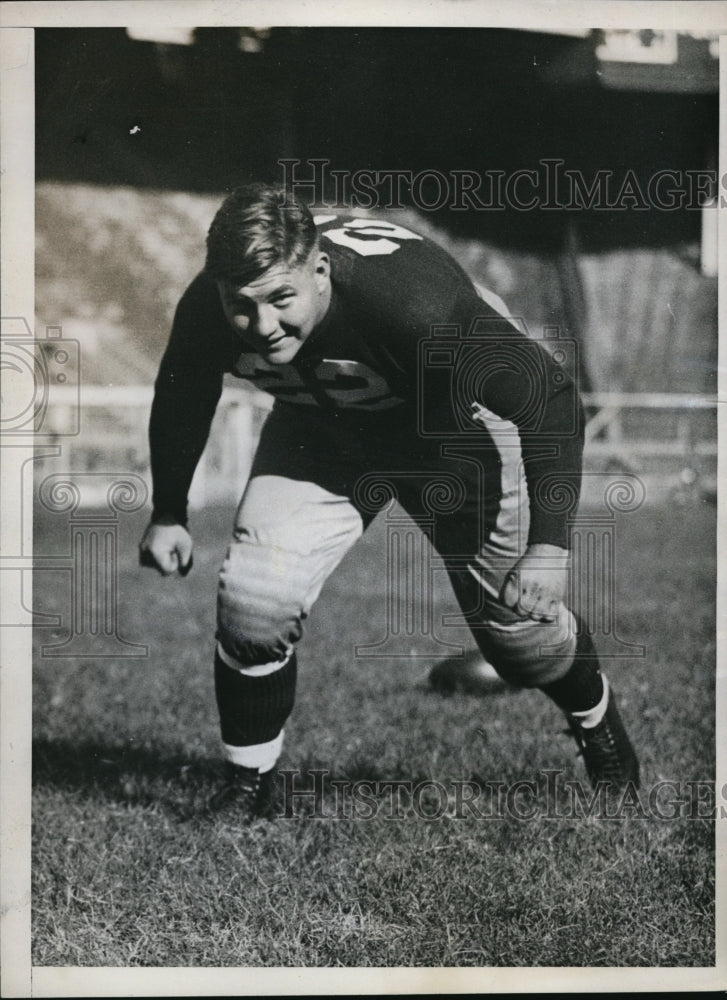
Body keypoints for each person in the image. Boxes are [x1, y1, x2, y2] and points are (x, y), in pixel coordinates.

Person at [139, 182, 639, 816]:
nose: (262, 327)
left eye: (280, 300)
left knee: (521, 641)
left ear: (319, 270)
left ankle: (599, 727)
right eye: (242, 307)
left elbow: (549, 397)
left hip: (454, 433)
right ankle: (248, 785)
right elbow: (183, 388)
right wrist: (168, 511)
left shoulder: (411, 305)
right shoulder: (211, 303)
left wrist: (548, 547)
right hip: (324, 427)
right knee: (254, 597)